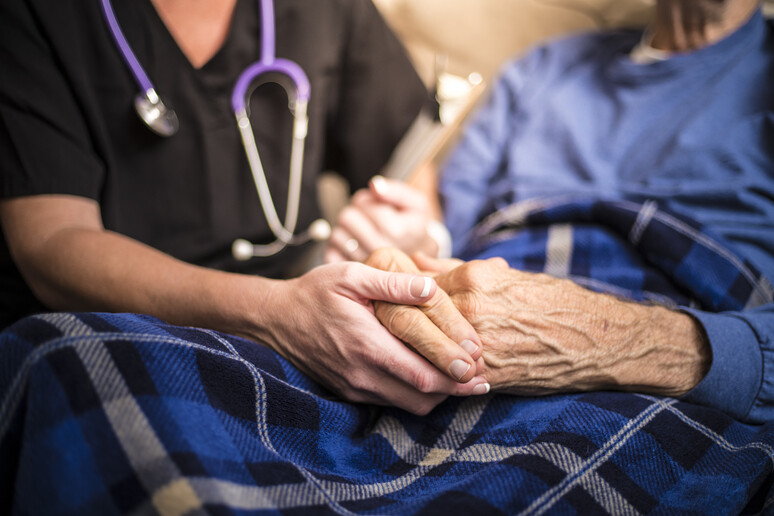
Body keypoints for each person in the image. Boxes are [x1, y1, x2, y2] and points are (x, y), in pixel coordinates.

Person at [0, 0, 492, 414]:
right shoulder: (34, 16)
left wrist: (417, 234)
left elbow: (406, 161)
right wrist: (276, 314)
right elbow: (50, 241)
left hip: (310, 332)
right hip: (113, 334)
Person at [328, 0, 774, 424]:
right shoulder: (540, 69)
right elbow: (451, 231)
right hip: (482, 320)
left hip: (682, 356)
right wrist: (417, 241)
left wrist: (613, 341)